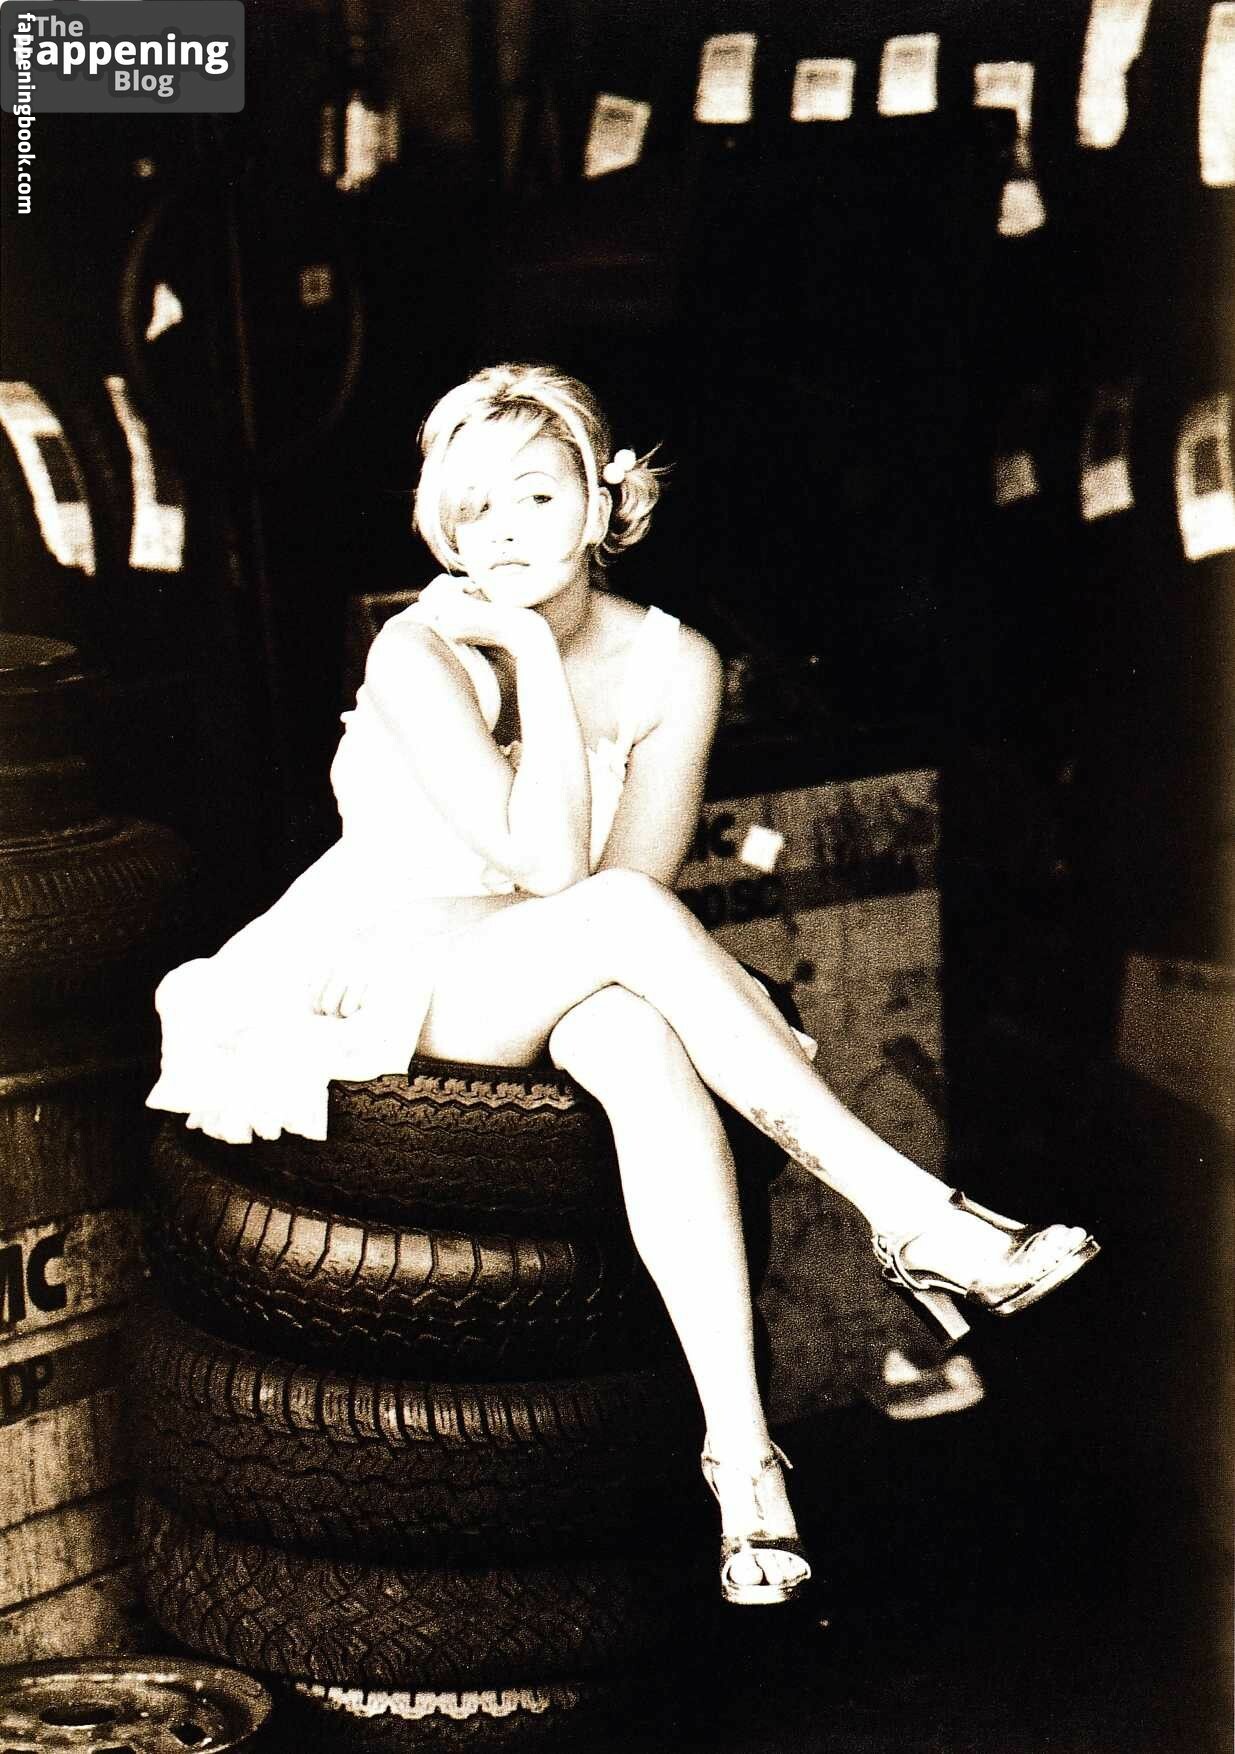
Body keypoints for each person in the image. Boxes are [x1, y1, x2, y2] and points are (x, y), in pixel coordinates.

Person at [147, 362, 1099, 1609]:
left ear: (602, 505)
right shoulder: (418, 648)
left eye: (535, 497)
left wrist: (551, 692)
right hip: (377, 961)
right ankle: (911, 1213)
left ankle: (744, 1465)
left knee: (639, 1038)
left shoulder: (674, 661)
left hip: (561, 954)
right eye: (470, 508)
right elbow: (557, 872)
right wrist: (530, 658)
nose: (500, 531)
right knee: (618, 933)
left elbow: (628, 882)